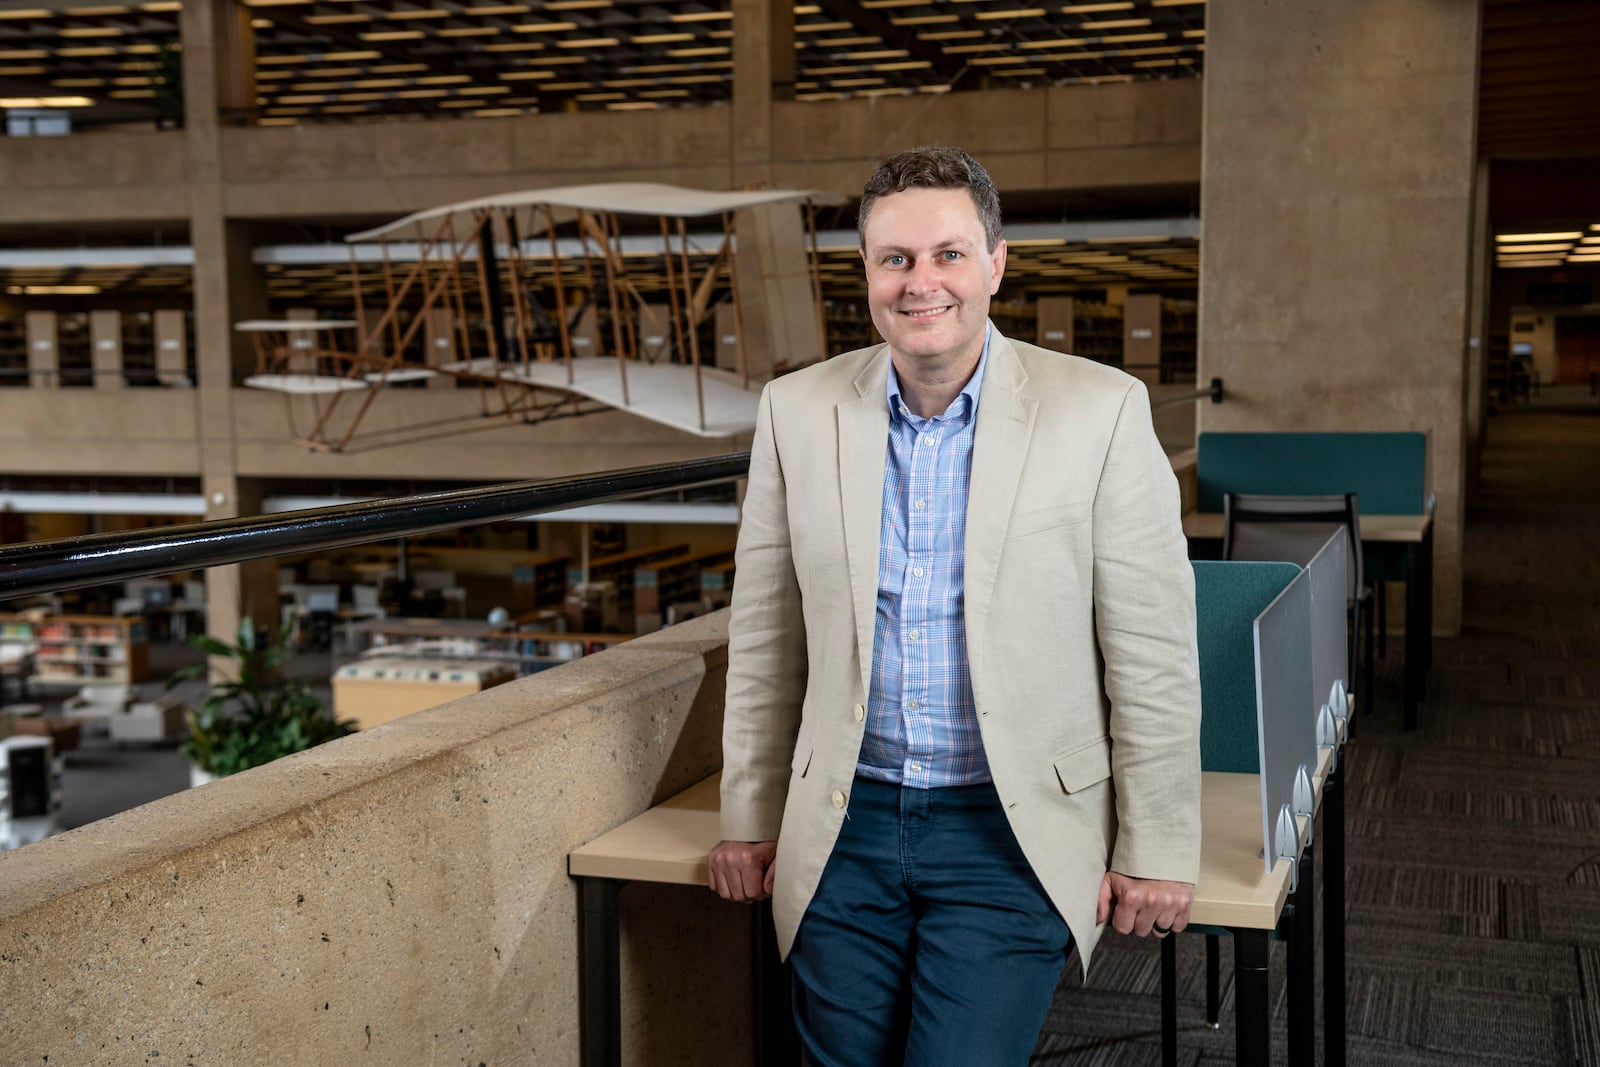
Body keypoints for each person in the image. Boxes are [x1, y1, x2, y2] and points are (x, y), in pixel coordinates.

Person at [708, 145, 1201, 1066]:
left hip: (1006, 829)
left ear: (996, 263)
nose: (921, 281)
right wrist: (748, 817)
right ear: (865, 273)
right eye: (895, 259)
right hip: (844, 825)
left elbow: (1151, 650)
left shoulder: (1102, 411)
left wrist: (1160, 843)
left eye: (948, 254)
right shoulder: (795, 412)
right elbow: (766, 638)